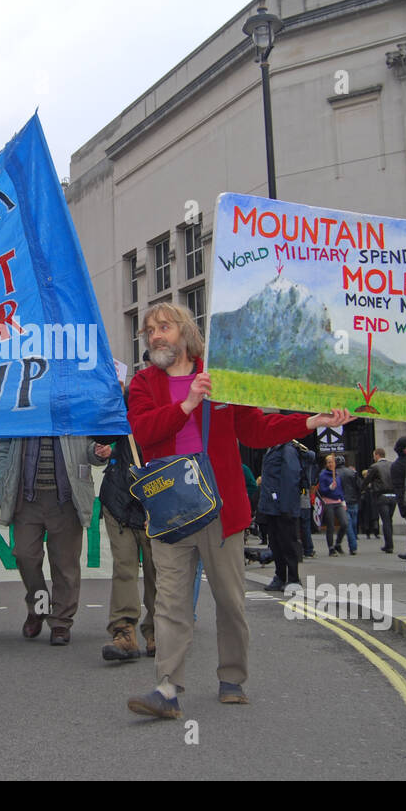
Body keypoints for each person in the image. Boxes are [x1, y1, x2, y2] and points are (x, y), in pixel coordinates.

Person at [123, 303, 352, 719]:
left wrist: (311, 421)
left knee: (230, 600)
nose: (155, 335)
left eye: (164, 327)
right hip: (171, 511)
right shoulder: (142, 384)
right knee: (170, 603)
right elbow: (144, 430)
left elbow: (256, 430)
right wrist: (187, 405)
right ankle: (167, 688)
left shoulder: (221, 379)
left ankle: (232, 677)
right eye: (150, 329)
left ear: (185, 331)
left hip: (221, 509)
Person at [0, 435, 108, 646]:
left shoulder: (73, 406)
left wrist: (98, 453)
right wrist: (3, 487)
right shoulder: (21, 407)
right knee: (25, 555)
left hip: (66, 500)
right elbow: (1, 450)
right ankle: (39, 606)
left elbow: (90, 446)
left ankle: (61, 622)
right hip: (27, 499)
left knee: (66, 564)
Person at [97, 431, 157, 661]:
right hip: (119, 499)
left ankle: (158, 630)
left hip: (156, 497)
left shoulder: (165, 402)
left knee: (158, 570)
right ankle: (124, 631)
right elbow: (98, 434)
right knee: (124, 567)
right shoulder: (118, 403)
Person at [258, 441, 303, 591]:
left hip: (283, 506)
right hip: (272, 506)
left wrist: (286, 507)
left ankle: (294, 579)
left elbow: (291, 478)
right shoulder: (274, 448)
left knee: (288, 543)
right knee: (276, 543)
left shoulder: (287, 450)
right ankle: (280, 576)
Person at [364, 448, 397, 553]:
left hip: (381, 496)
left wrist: (361, 489)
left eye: (374, 455)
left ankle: (389, 545)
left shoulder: (374, 467)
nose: (373, 457)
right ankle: (389, 543)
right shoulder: (392, 465)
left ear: (377, 455)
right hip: (393, 495)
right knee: (389, 520)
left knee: (385, 520)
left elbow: (367, 480)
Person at [317, 454, 350, 555]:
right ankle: (331, 548)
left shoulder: (337, 474)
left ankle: (338, 543)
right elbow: (322, 490)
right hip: (328, 502)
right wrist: (329, 488)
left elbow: (340, 489)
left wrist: (343, 500)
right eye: (329, 462)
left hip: (338, 501)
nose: (331, 464)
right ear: (326, 464)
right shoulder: (323, 475)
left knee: (345, 523)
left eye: (332, 462)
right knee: (330, 526)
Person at [335, 455, 361, 554]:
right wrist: (358, 497)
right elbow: (359, 485)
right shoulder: (352, 472)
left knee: (348, 524)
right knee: (353, 522)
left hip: (342, 500)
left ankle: (353, 546)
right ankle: (352, 543)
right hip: (353, 500)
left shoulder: (335, 474)